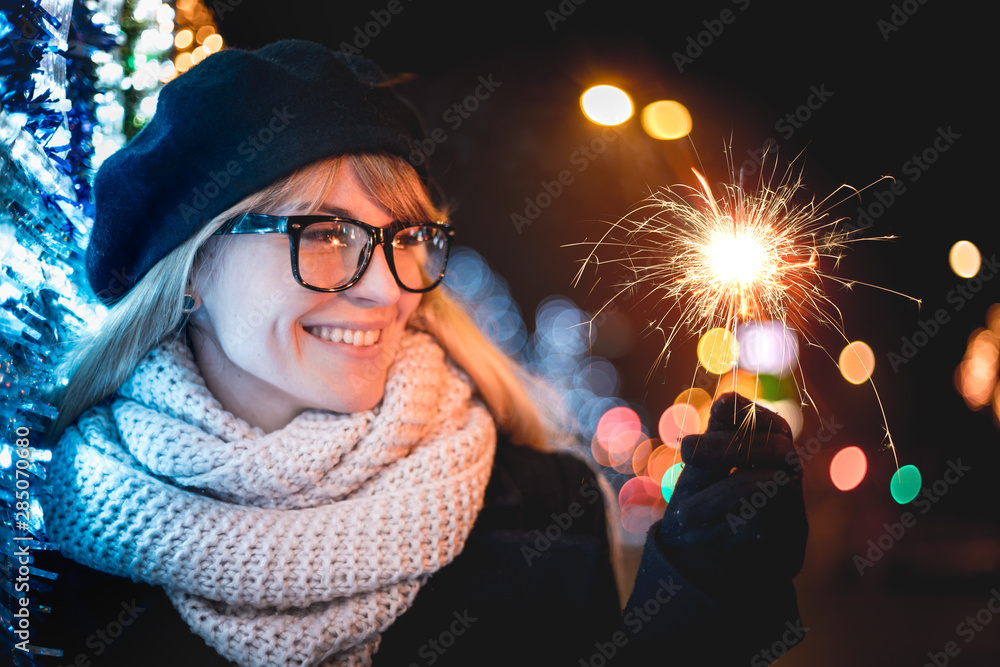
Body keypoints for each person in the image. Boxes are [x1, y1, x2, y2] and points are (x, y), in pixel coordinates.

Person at [36, 40, 808, 666]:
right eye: (327, 234)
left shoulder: (535, 506)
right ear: (191, 267)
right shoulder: (45, 557)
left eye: (406, 238)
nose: (385, 291)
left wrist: (696, 609)